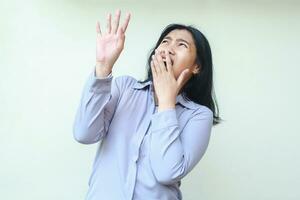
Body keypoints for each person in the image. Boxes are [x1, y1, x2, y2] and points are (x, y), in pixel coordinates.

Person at [73, 9, 220, 200]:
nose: (168, 48)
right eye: (165, 41)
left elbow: (167, 172)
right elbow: (84, 134)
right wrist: (103, 67)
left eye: (181, 45)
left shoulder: (199, 115)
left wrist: (166, 103)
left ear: (197, 66)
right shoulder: (124, 87)